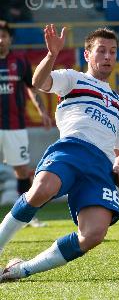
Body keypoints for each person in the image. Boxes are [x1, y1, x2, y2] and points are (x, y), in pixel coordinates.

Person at [0, 24, 119, 281]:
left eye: (112, 52)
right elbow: (38, 82)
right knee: (42, 189)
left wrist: (118, 166)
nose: (107, 57)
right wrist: (51, 55)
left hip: (101, 167)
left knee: (93, 235)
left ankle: (21, 270)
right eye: (101, 51)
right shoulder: (72, 78)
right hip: (72, 149)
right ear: (87, 55)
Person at [0, 21, 52, 228]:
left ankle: (27, 216)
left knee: (22, 171)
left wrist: (42, 111)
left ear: (10, 39)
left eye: (4, 36)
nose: (0, 40)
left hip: (15, 126)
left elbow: (32, 88)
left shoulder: (19, 61)